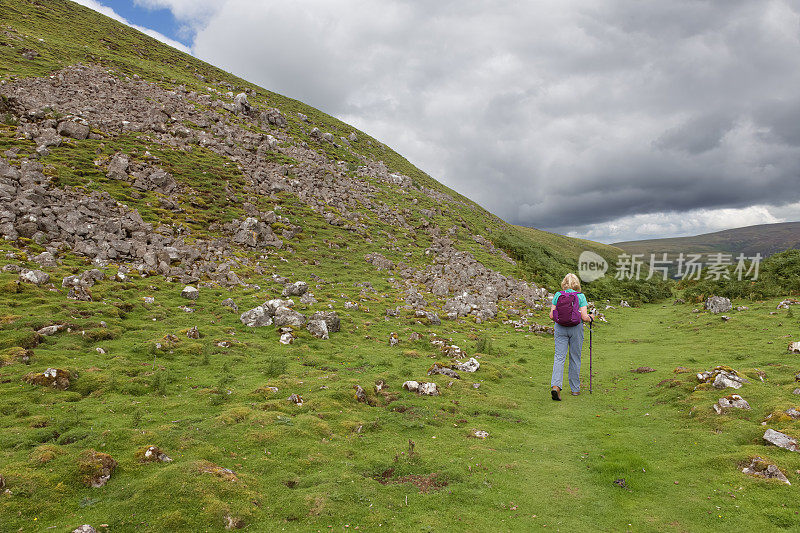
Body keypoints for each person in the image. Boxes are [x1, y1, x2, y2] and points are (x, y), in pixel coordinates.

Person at [549, 273, 593, 400]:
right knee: (575, 358)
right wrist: (591, 318)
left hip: (560, 328)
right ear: (576, 283)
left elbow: (551, 315)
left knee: (559, 357)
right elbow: (584, 317)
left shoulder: (558, 295)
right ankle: (575, 389)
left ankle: (556, 386)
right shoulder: (581, 296)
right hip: (576, 329)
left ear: (564, 283)